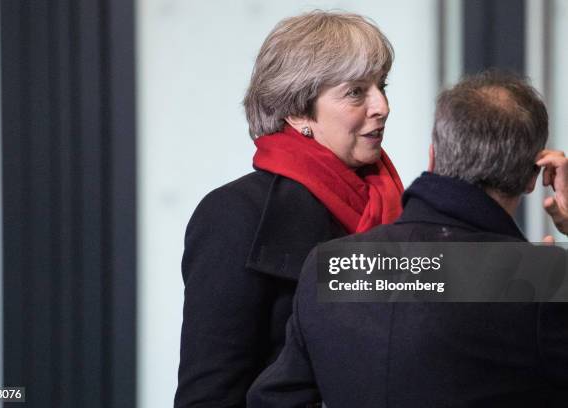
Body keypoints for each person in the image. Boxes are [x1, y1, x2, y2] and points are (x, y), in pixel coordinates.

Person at [247, 71, 568, 407]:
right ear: (533, 177)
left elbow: (274, 399)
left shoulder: (333, 266)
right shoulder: (537, 278)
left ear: (433, 157)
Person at [174, 11, 404, 407]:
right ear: (298, 112)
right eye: (355, 92)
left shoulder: (399, 207)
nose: (381, 105)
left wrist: (546, 260)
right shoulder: (235, 214)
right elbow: (209, 394)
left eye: (381, 86)